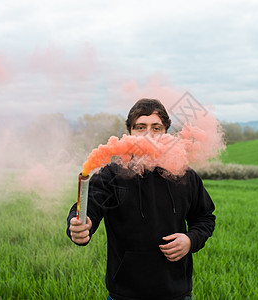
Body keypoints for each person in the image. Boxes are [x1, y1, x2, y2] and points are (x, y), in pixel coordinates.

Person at [66, 98, 216, 300]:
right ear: (129, 133)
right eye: (140, 127)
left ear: (166, 133)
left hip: (176, 293)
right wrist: (79, 226)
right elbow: (87, 208)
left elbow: (205, 218)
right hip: (124, 294)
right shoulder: (112, 175)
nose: (149, 135)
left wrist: (190, 240)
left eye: (156, 128)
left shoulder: (185, 175)